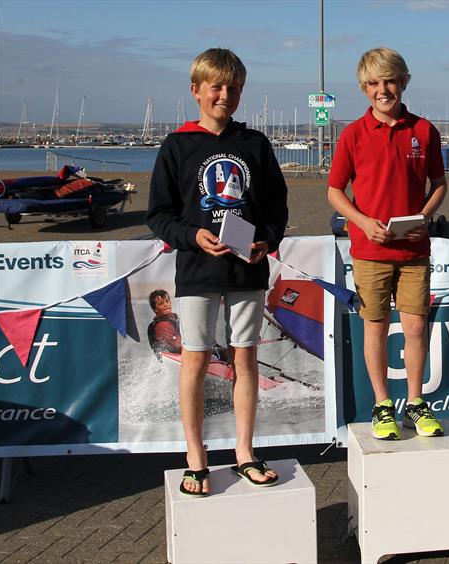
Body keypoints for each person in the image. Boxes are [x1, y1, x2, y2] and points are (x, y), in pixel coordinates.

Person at [146, 48, 288, 496]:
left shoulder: (255, 144)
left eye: (233, 88)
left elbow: (277, 208)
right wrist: (193, 237)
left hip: (247, 271)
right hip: (196, 271)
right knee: (196, 359)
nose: (224, 95)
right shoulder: (177, 145)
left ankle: (245, 452)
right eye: (216, 87)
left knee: (245, 358)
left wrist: (266, 238)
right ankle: (196, 458)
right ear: (197, 91)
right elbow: (159, 215)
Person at [327, 47, 448, 440]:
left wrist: (424, 217)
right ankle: (382, 405)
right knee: (375, 329)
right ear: (365, 88)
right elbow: (334, 191)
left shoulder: (424, 130)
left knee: (415, 327)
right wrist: (360, 221)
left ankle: (416, 403)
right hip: (369, 251)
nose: (384, 90)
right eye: (375, 83)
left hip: (414, 251)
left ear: (403, 82)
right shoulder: (353, 134)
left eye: (390, 81)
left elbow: (440, 184)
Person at [147, 289, 182, 359]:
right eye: (161, 304)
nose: (166, 305)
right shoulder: (162, 325)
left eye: (167, 301)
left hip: (179, 357)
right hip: (175, 360)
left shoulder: (173, 318)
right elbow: (176, 347)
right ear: (155, 309)